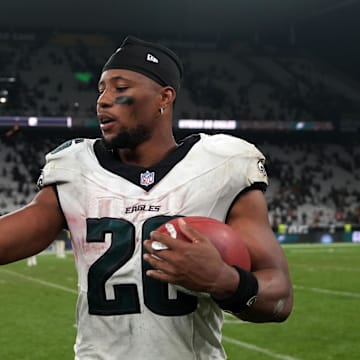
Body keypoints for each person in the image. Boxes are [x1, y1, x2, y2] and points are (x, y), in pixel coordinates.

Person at [0, 36, 293, 359]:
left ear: (163, 98)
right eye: (101, 90)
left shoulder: (224, 164)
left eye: (120, 89)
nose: (103, 100)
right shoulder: (74, 167)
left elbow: (279, 296)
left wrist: (225, 281)